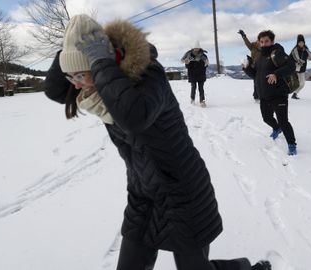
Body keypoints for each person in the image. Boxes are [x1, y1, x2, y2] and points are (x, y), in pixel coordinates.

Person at [44, 14, 271, 270]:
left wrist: (98, 59)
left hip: (183, 192)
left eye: (80, 75)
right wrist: (69, 46)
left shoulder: (149, 76)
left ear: (103, 64)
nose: (77, 85)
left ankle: (242, 268)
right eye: (70, 78)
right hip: (143, 194)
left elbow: (133, 116)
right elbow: (54, 90)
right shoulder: (99, 89)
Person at [243, 30, 298, 156]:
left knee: (283, 121)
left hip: (279, 95)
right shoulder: (260, 56)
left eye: (266, 41)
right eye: (261, 42)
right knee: (266, 118)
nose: (264, 44)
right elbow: (256, 75)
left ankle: (291, 144)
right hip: (264, 95)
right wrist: (246, 68)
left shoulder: (277, 53)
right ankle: (276, 128)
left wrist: (276, 74)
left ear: (272, 41)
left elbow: (291, 66)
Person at [181, 42, 209, 107]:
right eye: (195, 48)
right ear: (193, 48)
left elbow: (206, 65)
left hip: (201, 74)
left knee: (201, 88)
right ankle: (192, 99)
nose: (196, 49)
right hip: (192, 74)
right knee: (193, 87)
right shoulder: (189, 56)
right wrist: (187, 63)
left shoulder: (204, 56)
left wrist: (200, 62)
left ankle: (202, 101)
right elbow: (187, 67)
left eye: (197, 48)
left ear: (199, 48)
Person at [238, 29, 260, 102]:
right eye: (258, 40)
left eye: (260, 41)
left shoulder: (265, 49)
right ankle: (256, 96)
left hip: (262, 67)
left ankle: (259, 95)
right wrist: (243, 36)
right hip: (254, 67)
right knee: (256, 81)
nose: (258, 42)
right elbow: (247, 43)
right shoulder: (252, 47)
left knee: (260, 82)